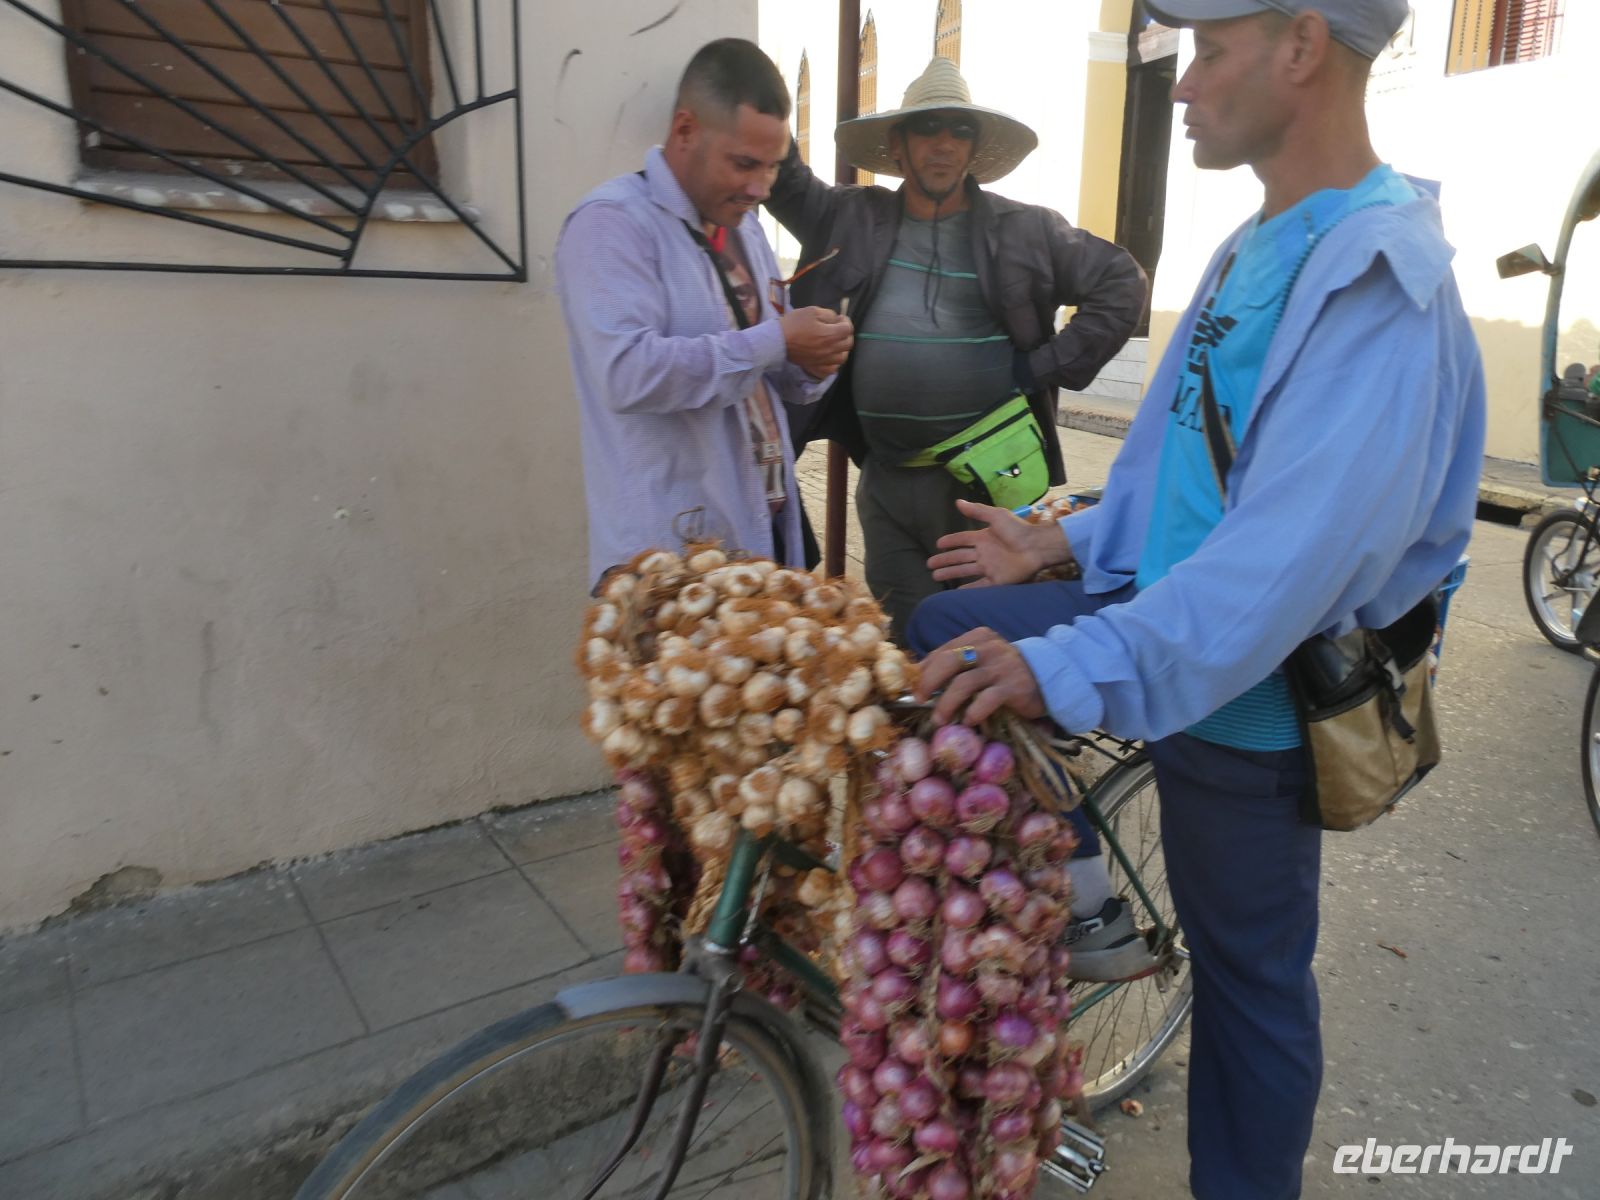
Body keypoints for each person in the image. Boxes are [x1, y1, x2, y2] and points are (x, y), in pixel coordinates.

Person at [909, 3, 1486, 1197]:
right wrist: (1056, 547)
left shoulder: (1380, 280)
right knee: (944, 636)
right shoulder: (1254, 242)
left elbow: (1282, 565)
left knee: (1248, 985)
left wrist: (1070, 664)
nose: (1179, 86)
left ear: (1301, 47)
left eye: (1211, 52)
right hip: (1165, 631)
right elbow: (1173, 472)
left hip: (1248, 700)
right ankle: (1083, 910)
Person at [764, 56, 1146, 637]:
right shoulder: (851, 217)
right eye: (927, 127)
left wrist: (1040, 367)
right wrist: (763, 89)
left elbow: (1122, 282)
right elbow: (786, 180)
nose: (943, 143)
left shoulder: (1026, 231)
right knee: (905, 643)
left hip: (981, 489)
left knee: (973, 644)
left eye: (960, 130)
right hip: (886, 481)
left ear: (973, 149)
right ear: (898, 145)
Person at [557, 39, 854, 588]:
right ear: (685, 130)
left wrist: (815, 360)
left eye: (772, 168)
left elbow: (772, 374)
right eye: (744, 164)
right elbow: (627, 373)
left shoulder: (748, 230)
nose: (759, 189)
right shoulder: (611, 223)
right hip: (666, 562)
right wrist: (778, 340)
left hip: (762, 538)